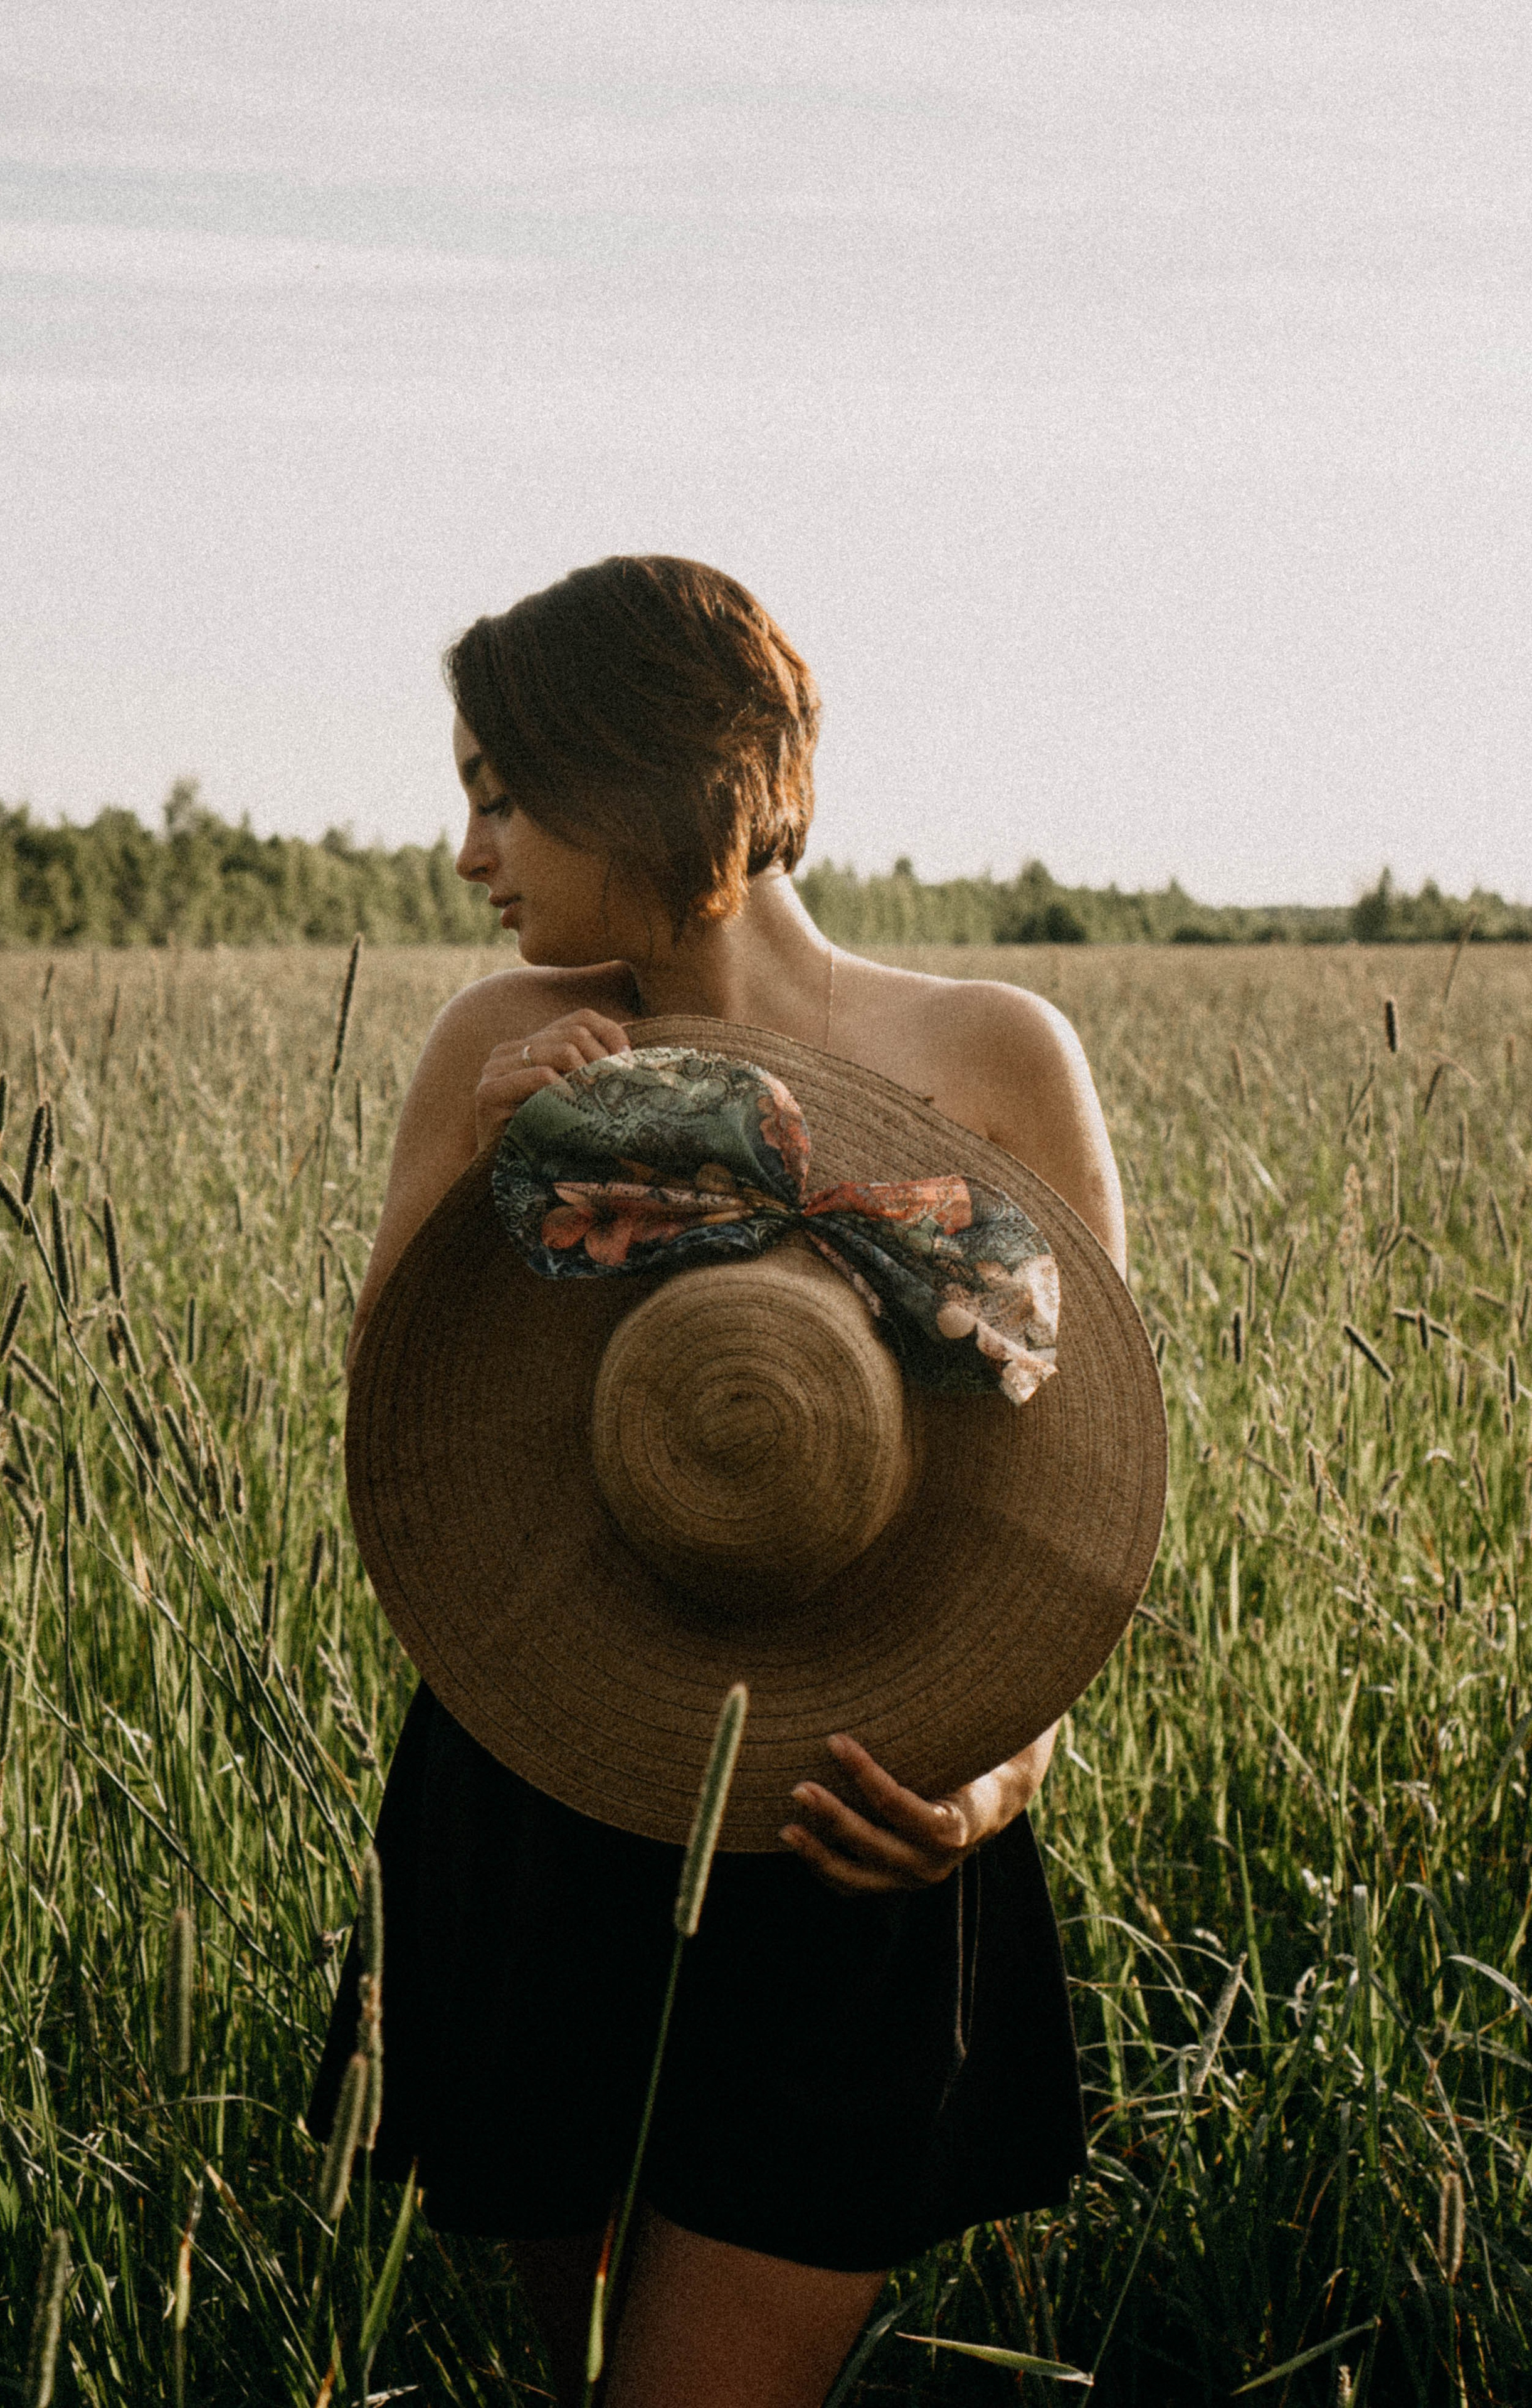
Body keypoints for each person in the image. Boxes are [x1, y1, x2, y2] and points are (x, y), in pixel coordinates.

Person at [309, 556, 1131, 2408]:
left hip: (858, 1820)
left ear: (653, 780)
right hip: (538, 1795)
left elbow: (1086, 1511)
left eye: (501, 794)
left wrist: (996, 1778)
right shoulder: (485, 1054)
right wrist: (488, 1201)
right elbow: (407, 1468)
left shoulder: (995, 1055)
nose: (467, 855)